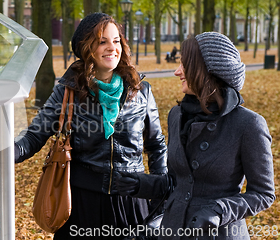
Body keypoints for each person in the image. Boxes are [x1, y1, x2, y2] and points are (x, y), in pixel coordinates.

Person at [0, 12, 167, 239]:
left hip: (131, 204)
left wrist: (161, 200)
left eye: (116, 41)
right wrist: (5, 154)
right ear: (86, 48)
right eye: (102, 41)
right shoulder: (68, 90)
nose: (111, 48)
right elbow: (34, 136)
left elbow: (156, 147)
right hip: (81, 203)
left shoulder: (141, 91)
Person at [116, 32, 276, 240]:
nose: (176, 72)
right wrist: (141, 184)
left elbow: (263, 194)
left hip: (220, 234)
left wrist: (220, 210)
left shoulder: (248, 124)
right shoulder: (177, 115)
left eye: (184, 65)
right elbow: (177, 182)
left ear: (206, 70)